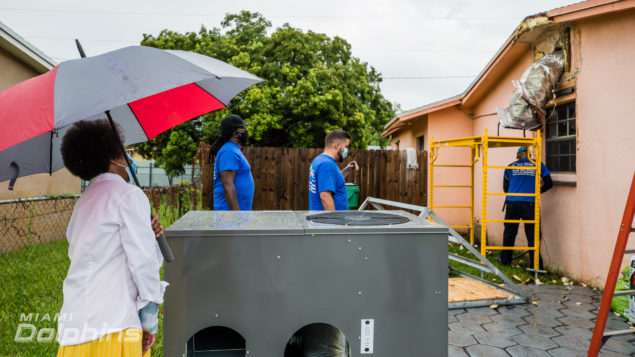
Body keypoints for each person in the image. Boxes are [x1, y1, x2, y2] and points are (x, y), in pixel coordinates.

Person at [57, 119, 168, 357]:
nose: (129, 159)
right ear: (112, 158)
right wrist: (149, 323)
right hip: (115, 327)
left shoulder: (83, 202)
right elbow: (144, 264)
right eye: (125, 153)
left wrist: (150, 236)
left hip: (75, 328)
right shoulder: (129, 195)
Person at [500, 146, 553, 268]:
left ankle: (505, 261)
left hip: (512, 203)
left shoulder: (510, 166)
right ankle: (536, 266)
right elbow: (549, 183)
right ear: (528, 153)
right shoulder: (537, 164)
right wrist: (536, 192)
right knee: (532, 235)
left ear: (520, 154)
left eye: (517, 155)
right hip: (529, 203)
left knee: (509, 232)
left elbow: (505, 189)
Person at [210, 114, 254, 211]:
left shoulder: (233, 149)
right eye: (242, 129)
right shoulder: (229, 151)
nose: (245, 131)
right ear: (234, 133)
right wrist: (236, 213)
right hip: (229, 215)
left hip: (236, 213)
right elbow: (227, 183)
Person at [309, 129, 359, 211]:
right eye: (345, 146)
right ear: (337, 145)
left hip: (321, 220)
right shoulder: (326, 164)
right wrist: (333, 220)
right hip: (327, 222)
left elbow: (331, 183)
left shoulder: (319, 160)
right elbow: (325, 197)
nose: (346, 150)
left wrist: (346, 170)